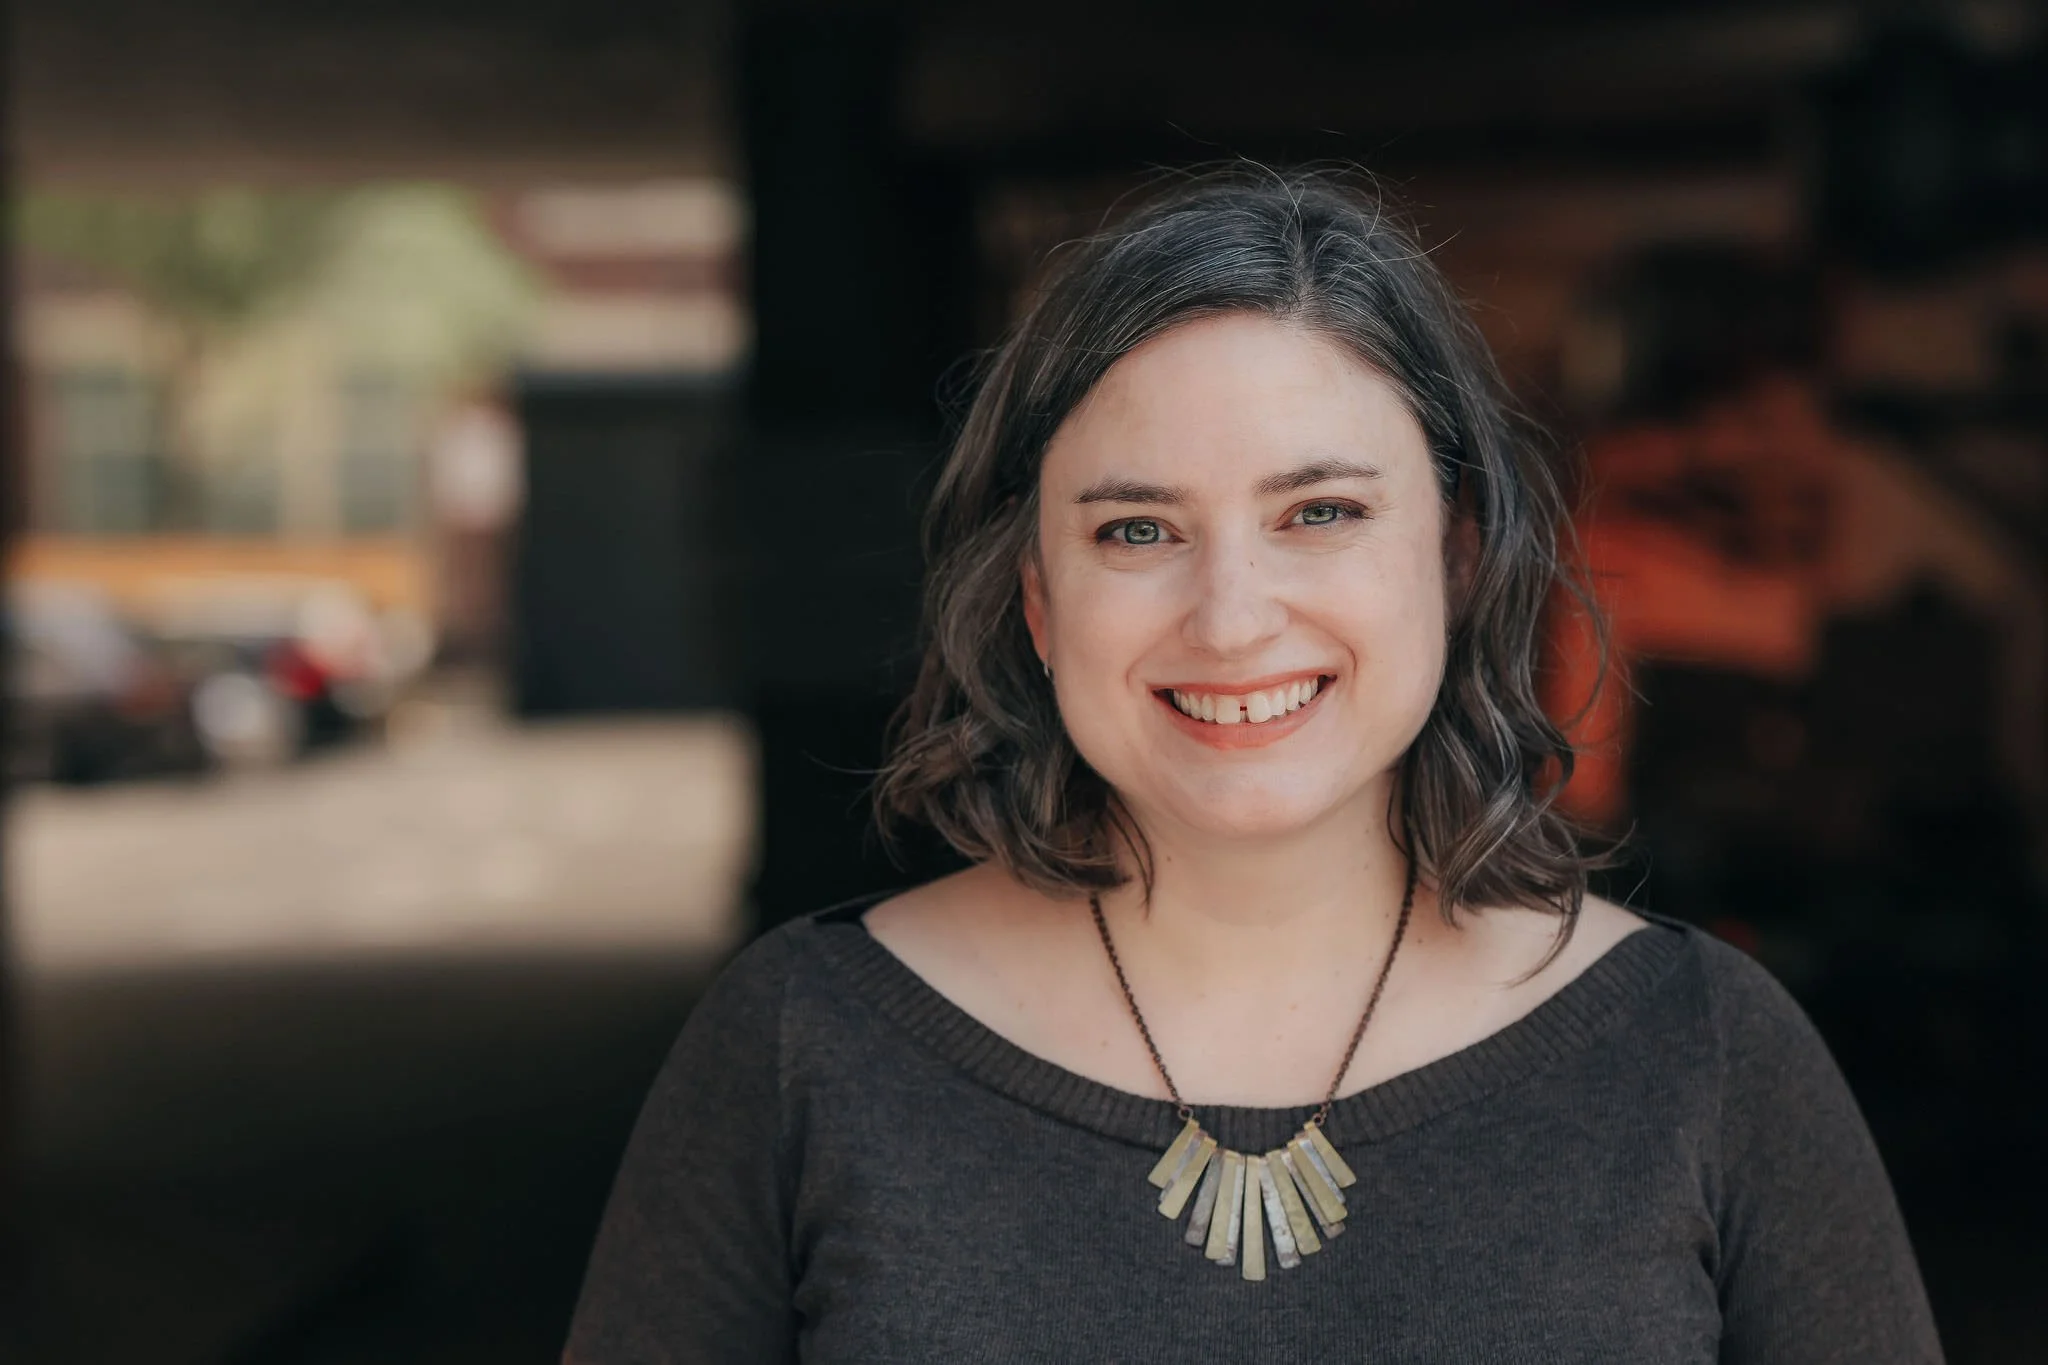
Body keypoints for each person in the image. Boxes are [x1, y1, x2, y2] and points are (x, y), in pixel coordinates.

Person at [564, 168, 1943, 1363]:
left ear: (1458, 562)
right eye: (1137, 532)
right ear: (1039, 603)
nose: (1231, 617)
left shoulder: (1704, 1055)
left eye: (1321, 512)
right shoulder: (801, 1048)